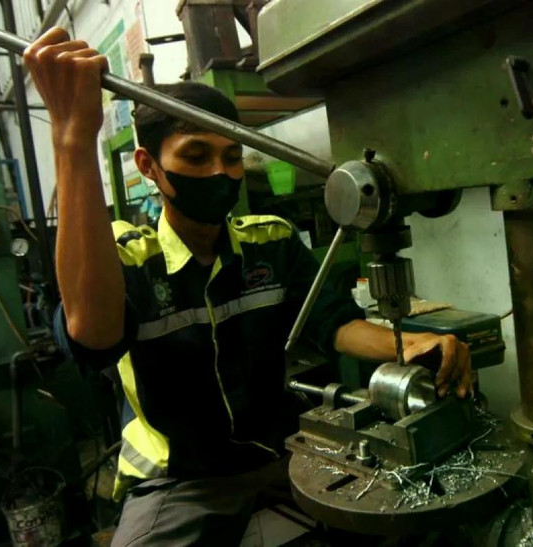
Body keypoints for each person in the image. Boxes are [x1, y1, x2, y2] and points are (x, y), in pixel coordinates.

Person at [24, 27, 473, 546]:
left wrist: (409, 344)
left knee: (405, 524)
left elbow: (334, 323)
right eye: (195, 157)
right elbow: (93, 338)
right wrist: (72, 137)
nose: (220, 172)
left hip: (283, 453)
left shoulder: (271, 242)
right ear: (149, 166)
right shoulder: (129, 259)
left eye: (232, 156)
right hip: (183, 480)